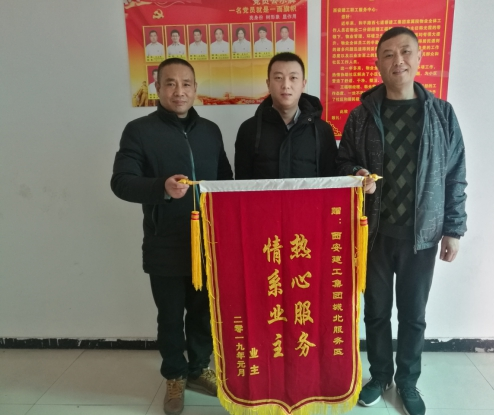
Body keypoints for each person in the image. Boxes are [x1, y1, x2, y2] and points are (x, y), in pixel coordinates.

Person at [336, 27, 467, 415]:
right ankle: (380, 376)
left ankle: (408, 381)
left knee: (413, 315)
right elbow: (342, 163)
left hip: (422, 236)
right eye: (389, 54)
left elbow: (455, 175)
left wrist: (453, 229)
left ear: (419, 57)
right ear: (378, 63)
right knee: (376, 312)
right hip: (374, 234)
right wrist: (357, 173)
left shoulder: (441, 114)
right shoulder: (361, 116)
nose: (398, 61)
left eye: (406, 52)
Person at [111, 57, 233, 415]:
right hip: (164, 242)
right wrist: (161, 188)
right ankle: (175, 376)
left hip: (207, 243)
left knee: (202, 312)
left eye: (186, 84)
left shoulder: (210, 130)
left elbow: (225, 180)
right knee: (170, 316)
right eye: (170, 83)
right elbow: (121, 182)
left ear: (195, 89)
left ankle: (198, 368)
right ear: (158, 88)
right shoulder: (139, 131)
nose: (179, 91)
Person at [234, 52, 336, 179]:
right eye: (278, 78)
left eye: (293, 78)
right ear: (268, 84)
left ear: (303, 84)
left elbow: (330, 182)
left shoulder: (322, 130)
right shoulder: (249, 129)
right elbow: (242, 184)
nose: (286, 85)